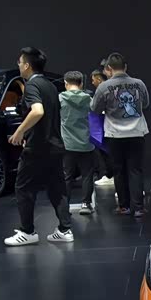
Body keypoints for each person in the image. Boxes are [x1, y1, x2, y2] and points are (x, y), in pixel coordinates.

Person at [4, 47, 73, 246]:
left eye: (20, 62)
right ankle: (65, 230)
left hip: (37, 147)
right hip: (55, 145)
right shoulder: (50, 86)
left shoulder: (32, 85)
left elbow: (37, 111)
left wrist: (20, 131)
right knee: (57, 189)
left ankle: (27, 231)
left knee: (23, 188)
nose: (18, 65)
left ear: (27, 65)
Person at [91, 52, 150, 218]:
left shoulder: (104, 87)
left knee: (119, 170)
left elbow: (95, 109)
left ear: (109, 68)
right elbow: (145, 104)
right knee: (136, 170)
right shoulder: (139, 83)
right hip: (137, 132)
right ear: (126, 67)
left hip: (114, 134)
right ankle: (139, 207)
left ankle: (124, 206)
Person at [59, 71, 96, 215]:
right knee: (87, 175)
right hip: (86, 142)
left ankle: (64, 206)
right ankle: (86, 204)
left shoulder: (60, 98)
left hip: (67, 143)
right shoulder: (89, 99)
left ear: (65, 83)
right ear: (81, 83)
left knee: (67, 176)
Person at [89, 69, 113, 186]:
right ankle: (109, 175)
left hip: (106, 125)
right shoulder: (110, 88)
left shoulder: (103, 89)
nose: (92, 82)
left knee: (107, 152)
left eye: (93, 80)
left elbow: (96, 108)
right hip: (108, 125)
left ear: (98, 79)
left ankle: (110, 175)